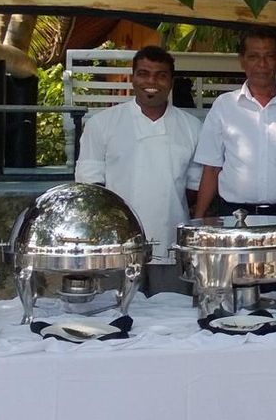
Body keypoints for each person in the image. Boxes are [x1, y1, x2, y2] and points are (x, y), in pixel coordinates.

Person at [75, 45, 202, 269]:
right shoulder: (102, 124)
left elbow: (194, 188)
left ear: (171, 81)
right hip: (115, 243)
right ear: (132, 78)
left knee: (170, 291)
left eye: (161, 75)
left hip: (172, 241)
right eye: (143, 74)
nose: (151, 81)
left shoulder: (192, 127)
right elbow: (91, 188)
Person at [193, 27, 276, 225]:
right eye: (254, 56)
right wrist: (198, 220)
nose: (262, 64)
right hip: (235, 218)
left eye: (269, 56)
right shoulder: (224, 107)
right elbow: (211, 169)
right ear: (242, 61)